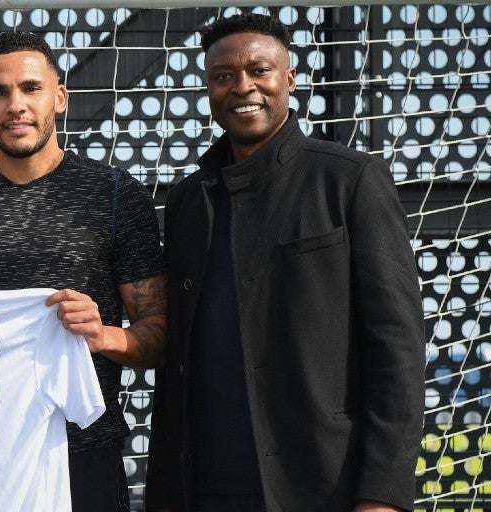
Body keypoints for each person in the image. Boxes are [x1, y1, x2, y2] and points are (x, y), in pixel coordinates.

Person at [145, 13, 424, 512]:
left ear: (289, 80)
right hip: (200, 489)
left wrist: (383, 495)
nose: (242, 87)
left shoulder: (350, 181)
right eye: (223, 76)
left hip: (320, 487)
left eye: (259, 70)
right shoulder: (187, 201)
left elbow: (398, 350)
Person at [0, 31, 167, 511]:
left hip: (85, 454)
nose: (16, 105)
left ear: (60, 96)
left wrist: (103, 336)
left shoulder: (115, 194)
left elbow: (159, 334)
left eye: (31, 88)